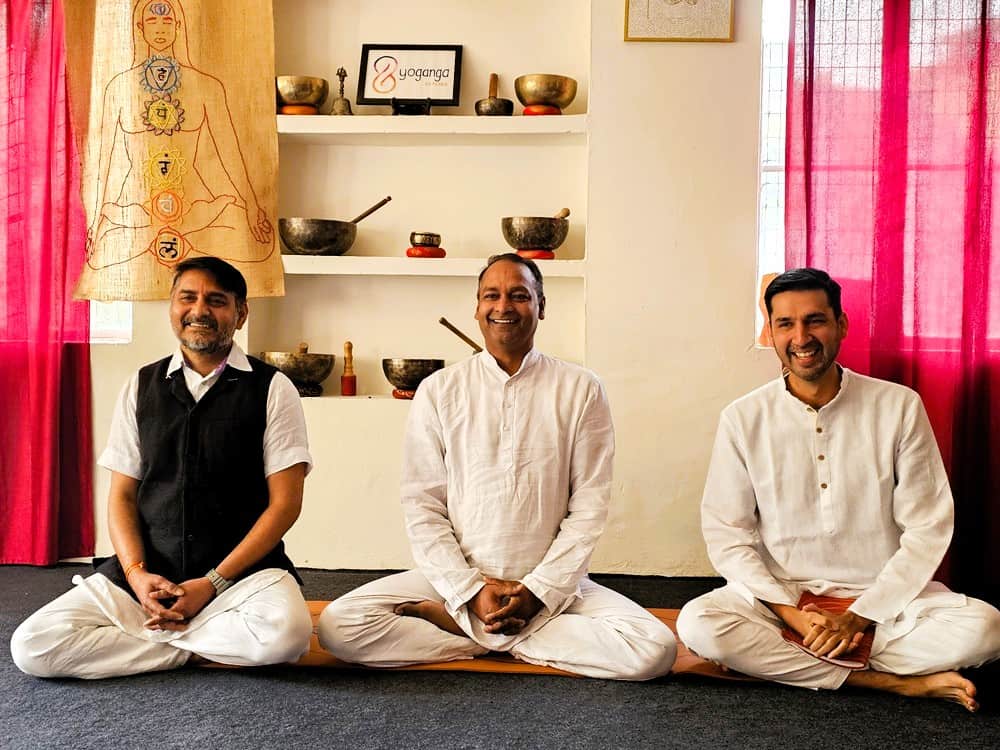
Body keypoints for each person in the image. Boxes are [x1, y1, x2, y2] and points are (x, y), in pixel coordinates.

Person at [318, 253, 676, 680]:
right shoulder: (439, 390)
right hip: (455, 577)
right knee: (338, 627)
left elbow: (590, 506)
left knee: (655, 651)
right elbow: (423, 505)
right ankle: (500, 631)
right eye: (492, 295)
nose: (503, 306)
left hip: (551, 583)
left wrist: (537, 592)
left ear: (542, 306)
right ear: (477, 308)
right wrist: (469, 591)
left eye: (520, 296)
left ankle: (473, 633)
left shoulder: (580, 388)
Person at [677, 268, 1000, 711]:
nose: (801, 337)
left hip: (881, 600)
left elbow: (928, 527)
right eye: (785, 324)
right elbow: (726, 534)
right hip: (785, 598)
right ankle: (890, 683)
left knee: (988, 629)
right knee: (700, 624)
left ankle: (797, 663)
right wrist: (791, 615)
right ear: (770, 332)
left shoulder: (898, 406)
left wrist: (859, 617)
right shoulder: (743, 417)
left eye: (815, 320)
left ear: (841, 325)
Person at [11, 257, 312, 679]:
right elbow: (121, 495)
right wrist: (136, 576)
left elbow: (285, 505)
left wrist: (212, 584)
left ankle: (158, 637)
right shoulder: (140, 385)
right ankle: (190, 646)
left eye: (217, 300)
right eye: (187, 297)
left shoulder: (273, 388)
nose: (199, 310)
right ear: (171, 307)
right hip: (149, 577)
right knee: (33, 646)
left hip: (239, 578)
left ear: (241, 313)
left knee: (288, 637)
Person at [82, 0, 274, 296]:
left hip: (197, 213)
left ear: (180, 26)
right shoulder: (119, 87)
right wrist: (94, 220)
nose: (160, 30)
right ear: (139, 28)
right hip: (136, 214)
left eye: (168, 22)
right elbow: (103, 161)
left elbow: (230, 155)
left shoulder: (206, 85)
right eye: (153, 23)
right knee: (102, 251)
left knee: (249, 242)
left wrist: (251, 208)